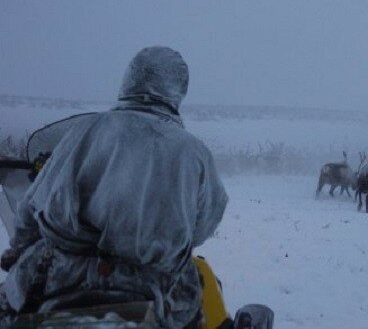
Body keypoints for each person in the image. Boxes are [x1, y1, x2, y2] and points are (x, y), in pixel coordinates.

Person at [0, 46, 228, 328]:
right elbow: (204, 224)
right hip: (150, 285)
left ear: (130, 79)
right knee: (195, 312)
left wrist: (20, 248)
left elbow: (32, 205)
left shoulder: (83, 132)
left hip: (58, 275)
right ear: (178, 90)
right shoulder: (194, 153)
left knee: (8, 307)